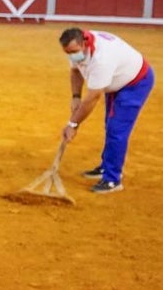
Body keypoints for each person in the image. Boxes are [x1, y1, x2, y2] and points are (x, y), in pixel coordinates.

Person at [59, 28, 154, 193]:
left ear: (84, 44)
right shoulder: (78, 47)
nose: (72, 56)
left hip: (134, 84)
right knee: (110, 125)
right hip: (116, 80)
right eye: (68, 53)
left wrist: (73, 124)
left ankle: (113, 180)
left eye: (73, 52)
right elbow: (75, 70)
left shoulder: (102, 59)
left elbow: (93, 97)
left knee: (117, 130)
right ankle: (106, 167)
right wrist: (75, 97)